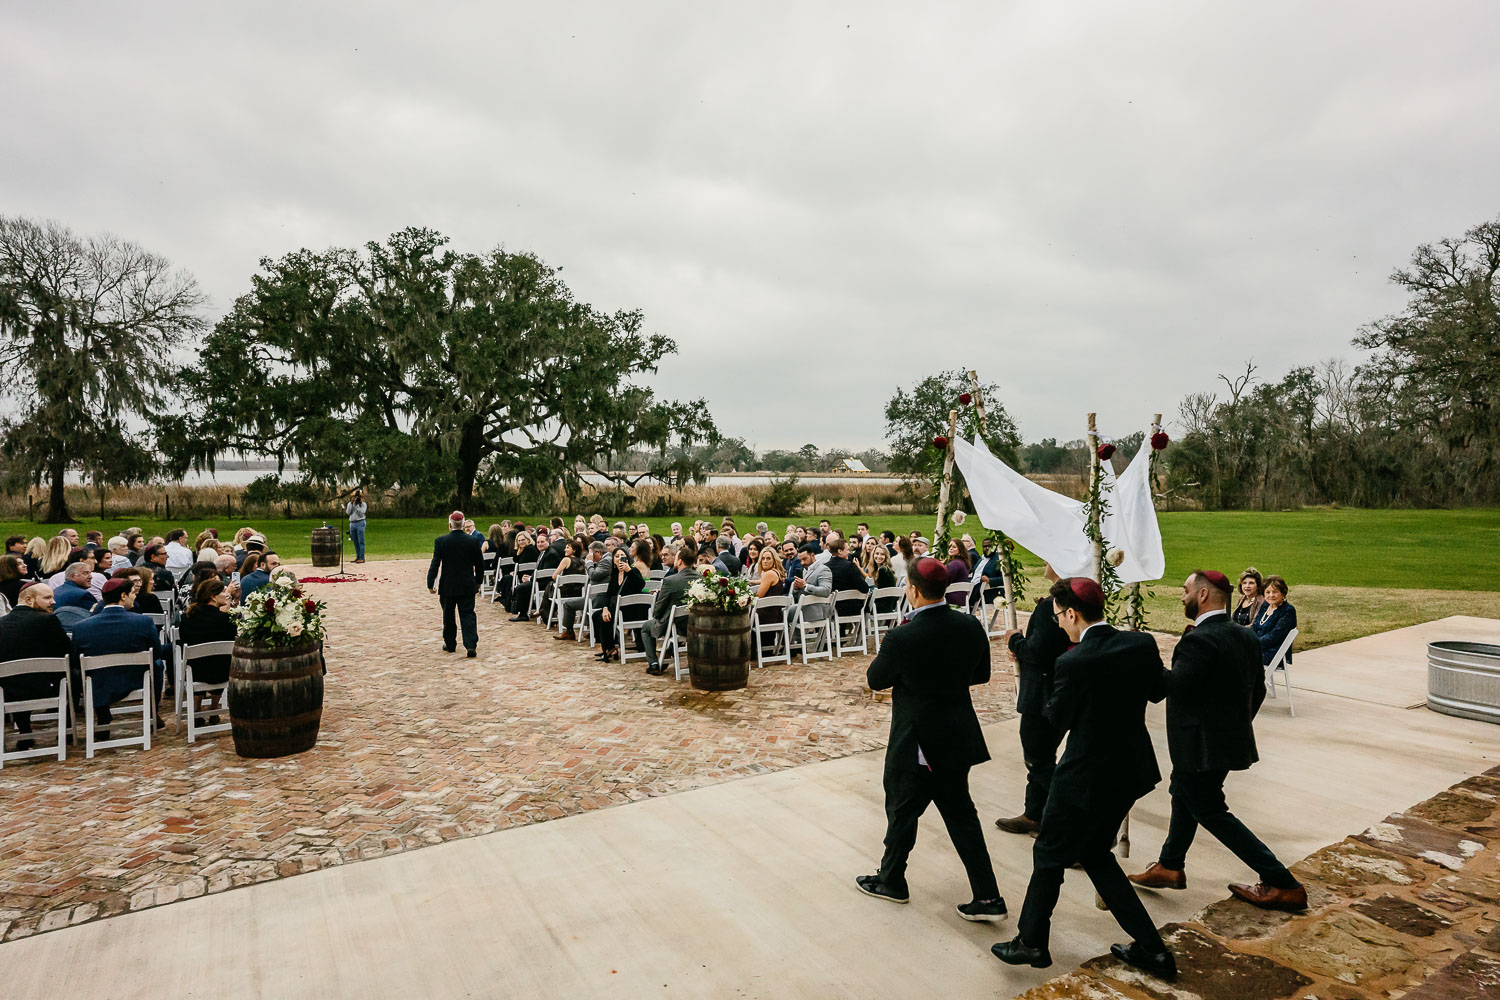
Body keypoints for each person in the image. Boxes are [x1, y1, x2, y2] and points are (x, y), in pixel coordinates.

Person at [993, 577, 1175, 981]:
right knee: (1094, 854)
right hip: (1129, 772)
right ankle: (1152, 949)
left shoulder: (1073, 662)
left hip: (1084, 778)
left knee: (1049, 854)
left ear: (1072, 613)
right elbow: (1160, 690)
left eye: (1059, 616)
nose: (1058, 624)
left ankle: (1031, 943)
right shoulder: (1140, 644)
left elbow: (1056, 721)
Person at [1129, 571, 1309, 911]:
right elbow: (1256, 691)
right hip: (1224, 743)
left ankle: (1283, 883)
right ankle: (1170, 866)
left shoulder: (1199, 640)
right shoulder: (1243, 635)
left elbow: (1171, 689)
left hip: (1199, 746)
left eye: (1185, 591)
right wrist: (1232, 726)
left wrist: (1144, 654)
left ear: (1202, 596)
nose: (1181, 597)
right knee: (1183, 795)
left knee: (1210, 810)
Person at [856, 557, 1006, 922]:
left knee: (902, 808)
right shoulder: (969, 625)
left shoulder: (903, 635)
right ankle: (987, 896)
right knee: (960, 815)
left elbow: (876, 679)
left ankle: (892, 881)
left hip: (918, 738)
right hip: (957, 733)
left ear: (912, 590)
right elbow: (982, 674)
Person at [994, 564, 1071, 836]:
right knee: (1043, 756)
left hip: (1042, 692)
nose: (1045, 562)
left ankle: (1073, 818)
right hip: (1056, 689)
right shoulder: (1069, 601)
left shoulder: (1051, 607)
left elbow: (1039, 652)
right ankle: (1034, 813)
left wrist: (1015, 641)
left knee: (1037, 760)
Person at [69, 576, 170, 738]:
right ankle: (152, 711)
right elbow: (156, 652)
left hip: (98, 683)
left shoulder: (82, 627)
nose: (135, 596)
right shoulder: (143, 621)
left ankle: (103, 717)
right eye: (132, 593)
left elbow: (75, 659)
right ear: (123, 596)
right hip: (136, 679)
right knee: (157, 663)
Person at [0, 582, 72, 748]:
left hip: (9, 690)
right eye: (47, 598)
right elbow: (66, 651)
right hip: (46, 686)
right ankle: (67, 728)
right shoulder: (47, 620)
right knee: (72, 674)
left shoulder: (1, 623)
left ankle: (25, 731)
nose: (53, 602)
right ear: (29, 599)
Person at [177, 577, 237, 722]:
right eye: (223, 591)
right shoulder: (224, 619)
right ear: (212, 596)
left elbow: (184, 640)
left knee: (200, 659)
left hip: (195, 671)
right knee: (223, 658)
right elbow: (232, 640)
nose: (227, 594)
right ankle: (214, 707)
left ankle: (196, 708)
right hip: (221, 673)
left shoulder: (187, 617)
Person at [428, 511, 485, 657]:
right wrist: (478, 581)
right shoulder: (472, 541)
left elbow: (435, 563)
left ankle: (450, 643)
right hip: (467, 584)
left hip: (448, 585)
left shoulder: (441, 541)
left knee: (448, 615)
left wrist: (430, 582)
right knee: (468, 614)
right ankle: (470, 644)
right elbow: (479, 564)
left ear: (449, 525)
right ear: (463, 524)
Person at [642, 541, 699, 676]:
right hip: (697, 624)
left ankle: (654, 663)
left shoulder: (671, 581)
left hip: (676, 625)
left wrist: (657, 615)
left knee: (646, 627)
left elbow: (658, 609)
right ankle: (669, 652)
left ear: (679, 561)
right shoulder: (701, 578)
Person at [595, 542, 649, 662]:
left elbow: (641, 584)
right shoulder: (614, 575)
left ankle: (610, 648)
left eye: (622, 556)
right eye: (617, 556)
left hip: (633, 610)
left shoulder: (633, 571)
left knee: (602, 618)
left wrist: (629, 570)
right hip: (618, 609)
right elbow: (608, 594)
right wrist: (605, 607)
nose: (620, 559)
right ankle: (609, 647)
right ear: (613, 560)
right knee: (599, 615)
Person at [557, 541, 612, 642]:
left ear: (598, 552)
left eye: (590, 554)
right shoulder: (605, 560)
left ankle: (568, 632)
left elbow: (594, 575)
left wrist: (589, 563)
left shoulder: (606, 561)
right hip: (596, 596)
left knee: (568, 604)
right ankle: (589, 630)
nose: (588, 556)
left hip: (598, 598)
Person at [1253, 576, 1296, 667]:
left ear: (1283, 593)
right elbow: (1254, 627)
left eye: (1275, 592)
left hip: (1273, 653)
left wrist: (1252, 644)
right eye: (1267, 592)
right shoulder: (1265, 606)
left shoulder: (1287, 610)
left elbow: (1274, 637)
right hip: (1258, 648)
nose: (1271, 595)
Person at [944, 540, 972, 605]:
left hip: (951, 599)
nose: (951, 548)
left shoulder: (955, 564)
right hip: (961, 598)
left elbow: (945, 580)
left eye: (954, 547)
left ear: (960, 550)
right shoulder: (962, 562)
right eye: (950, 546)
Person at [346, 489, 368, 563]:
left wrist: (358, 505)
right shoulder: (350, 504)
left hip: (360, 523)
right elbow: (348, 512)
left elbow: (362, 513)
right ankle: (357, 556)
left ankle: (362, 557)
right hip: (352, 523)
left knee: (360, 541)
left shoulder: (363, 504)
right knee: (355, 541)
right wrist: (352, 504)